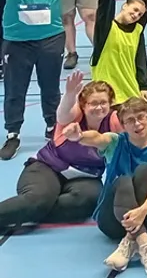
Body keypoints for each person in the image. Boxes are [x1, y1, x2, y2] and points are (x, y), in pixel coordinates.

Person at [0, 0, 102, 160]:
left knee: (50, 86)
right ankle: (13, 133)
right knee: (15, 89)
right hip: (17, 39)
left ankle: (52, 126)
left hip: (51, 37)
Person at [62, 96, 147, 274]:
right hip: (112, 221)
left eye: (141, 117)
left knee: (145, 171)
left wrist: (143, 209)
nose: (137, 124)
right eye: (130, 120)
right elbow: (97, 138)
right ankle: (144, 242)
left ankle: (128, 242)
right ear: (122, 125)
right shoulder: (115, 142)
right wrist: (80, 136)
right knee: (122, 180)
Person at [0, 72, 117, 230]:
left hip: (85, 176)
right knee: (38, 199)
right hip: (47, 167)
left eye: (103, 102)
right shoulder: (74, 116)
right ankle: (33, 205)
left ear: (110, 104)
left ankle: (32, 210)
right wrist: (69, 94)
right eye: (93, 103)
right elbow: (62, 115)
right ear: (84, 105)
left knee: (89, 201)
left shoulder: (113, 121)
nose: (99, 107)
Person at [90, 0, 147, 105]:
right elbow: (105, 7)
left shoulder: (137, 31)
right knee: (113, 122)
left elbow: (141, 60)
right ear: (124, 6)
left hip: (129, 90)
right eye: (135, 10)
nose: (137, 15)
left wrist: (144, 87)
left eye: (140, 14)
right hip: (107, 93)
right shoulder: (107, 27)